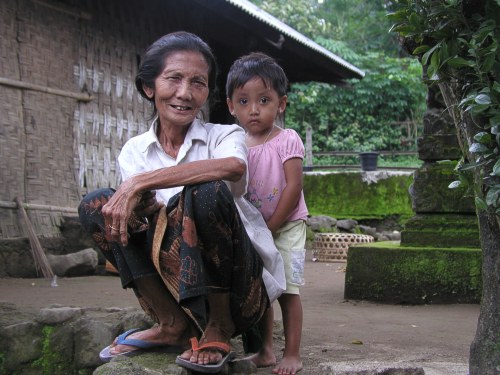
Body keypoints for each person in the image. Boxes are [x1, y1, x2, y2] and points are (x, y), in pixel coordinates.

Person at [78, 32, 285, 373]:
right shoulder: (134, 151)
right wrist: (138, 203)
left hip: (238, 290)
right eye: (173, 78)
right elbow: (143, 218)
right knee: (96, 204)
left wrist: (142, 182)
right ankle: (172, 322)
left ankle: (219, 326)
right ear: (149, 87)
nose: (185, 93)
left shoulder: (224, 135)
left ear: (207, 92)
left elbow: (233, 167)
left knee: (204, 191)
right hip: (176, 282)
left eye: (198, 83)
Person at [226, 52, 309, 375]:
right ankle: (264, 351)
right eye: (244, 101)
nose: (254, 110)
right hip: (256, 228)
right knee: (263, 289)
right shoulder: (236, 146)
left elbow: (293, 187)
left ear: (282, 103)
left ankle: (293, 354)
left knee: (287, 290)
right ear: (231, 106)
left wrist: (272, 226)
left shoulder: (287, 139)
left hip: (286, 226)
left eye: (263, 100)